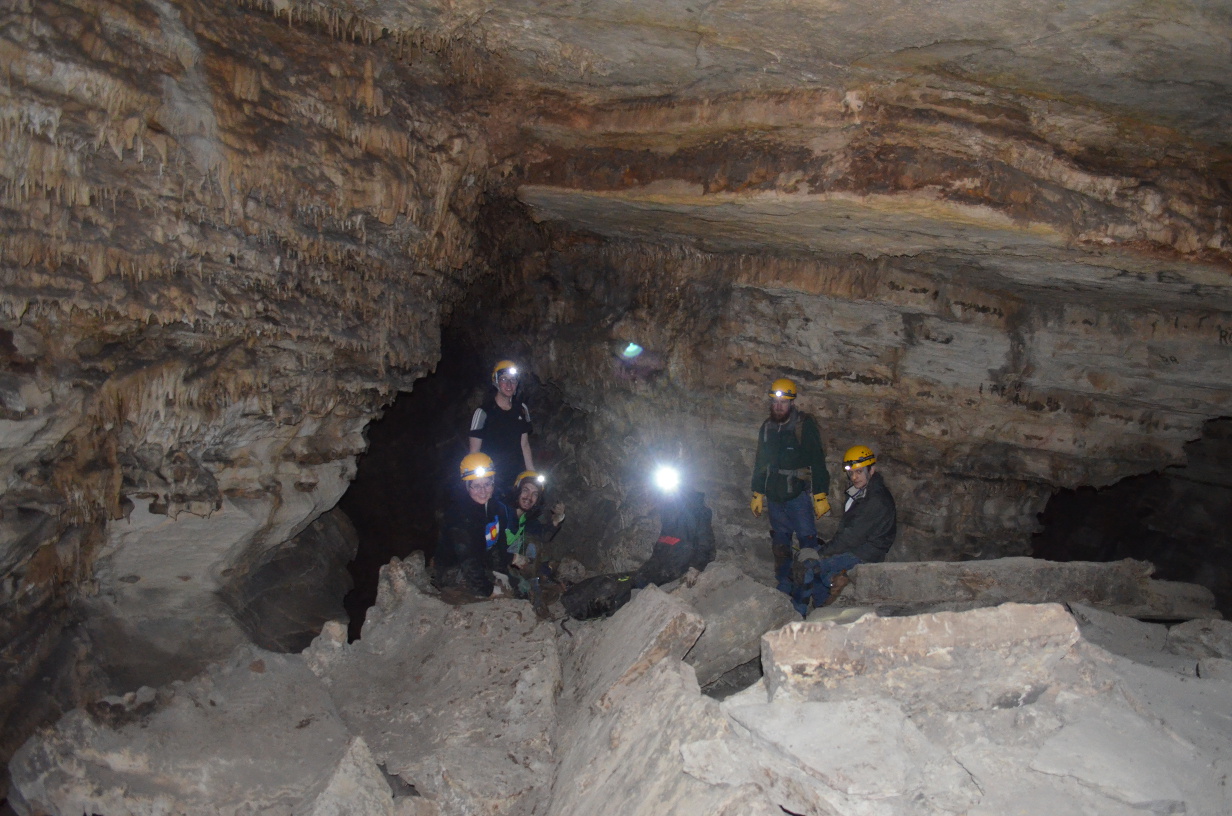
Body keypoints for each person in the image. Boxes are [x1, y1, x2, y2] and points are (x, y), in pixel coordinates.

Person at [788, 444, 897, 612]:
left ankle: (799, 613)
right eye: (851, 472)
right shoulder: (861, 492)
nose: (854, 477)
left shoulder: (875, 500)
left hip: (865, 553)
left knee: (809, 564)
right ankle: (823, 603)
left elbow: (850, 537)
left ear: (871, 470)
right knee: (809, 558)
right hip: (857, 546)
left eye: (859, 472)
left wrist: (820, 553)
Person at [749, 377, 831, 584]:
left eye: (783, 403)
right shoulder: (767, 428)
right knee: (780, 544)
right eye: (775, 403)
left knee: (807, 542)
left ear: (792, 402)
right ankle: (784, 586)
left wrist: (820, 494)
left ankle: (811, 587)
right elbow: (760, 461)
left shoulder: (804, 425)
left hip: (798, 496)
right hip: (775, 495)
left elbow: (817, 459)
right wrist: (758, 492)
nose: (778, 407)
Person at [434, 452, 514, 598]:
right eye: (476, 486)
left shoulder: (496, 508)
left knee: (515, 588)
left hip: (481, 563)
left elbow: (494, 543)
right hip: (455, 570)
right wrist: (488, 590)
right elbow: (467, 558)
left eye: (487, 484)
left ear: (493, 482)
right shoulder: (458, 515)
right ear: (466, 486)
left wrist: (500, 571)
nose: (483, 491)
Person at [469, 360, 534, 497]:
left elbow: (525, 444)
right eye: (504, 379)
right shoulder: (483, 412)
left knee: (515, 516)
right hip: (491, 478)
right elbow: (474, 452)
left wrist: (531, 475)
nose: (509, 384)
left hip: (516, 477)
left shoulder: (522, 409)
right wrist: (478, 484)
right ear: (496, 382)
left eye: (513, 380)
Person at [503, 470, 565, 598]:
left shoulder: (525, 518)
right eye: (525, 490)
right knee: (521, 590)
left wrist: (555, 520)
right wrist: (513, 559)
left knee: (534, 543)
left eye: (534, 494)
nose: (529, 497)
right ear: (517, 491)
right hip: (492, 564)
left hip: (506, 561)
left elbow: (543, 536)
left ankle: (540, 577)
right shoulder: (502, 513)